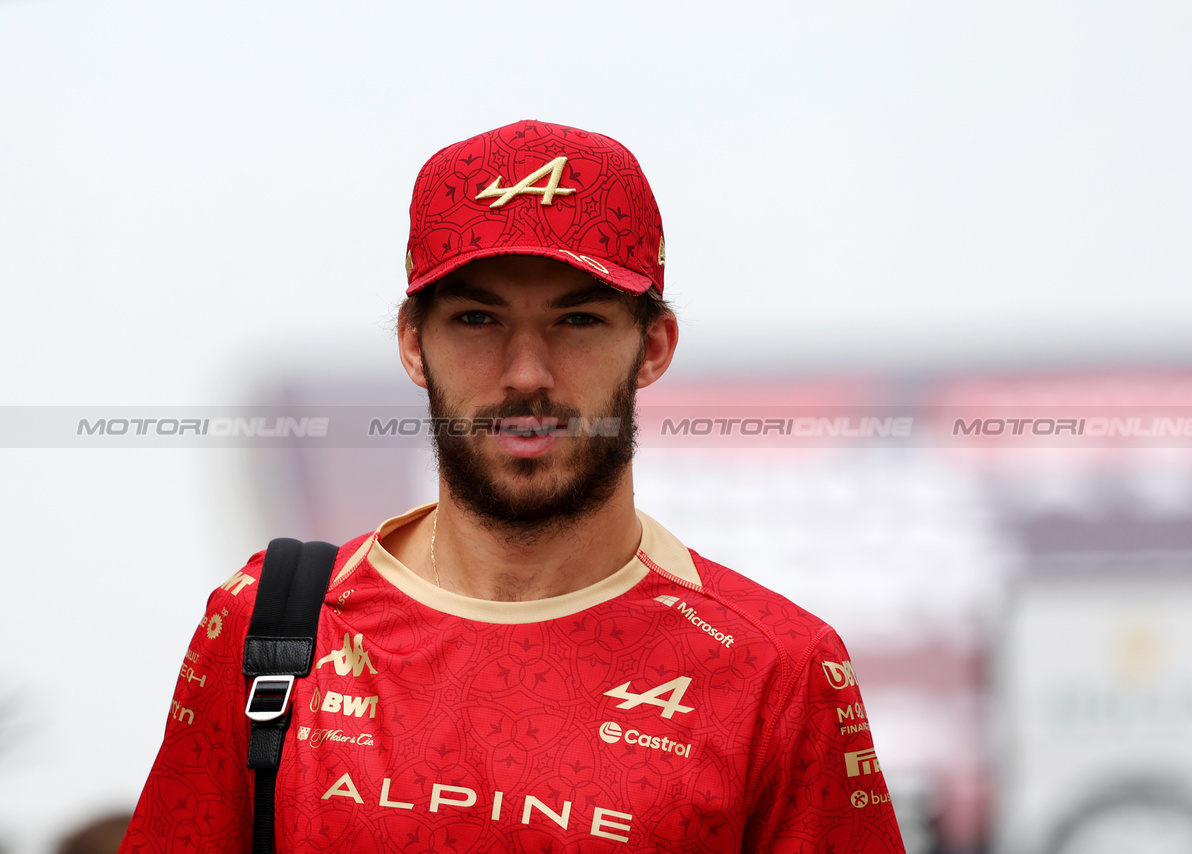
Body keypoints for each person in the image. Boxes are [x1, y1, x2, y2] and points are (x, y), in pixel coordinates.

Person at [121, 120, 905, 853]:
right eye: (476, 320)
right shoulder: (269, 625)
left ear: (654, 345)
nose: (527, 374)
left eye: (577, 321)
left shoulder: (781, 669)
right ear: (412, 345)